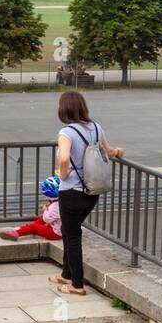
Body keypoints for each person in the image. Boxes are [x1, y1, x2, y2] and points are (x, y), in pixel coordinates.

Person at [54, 91, 124, 296]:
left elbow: (64, 158)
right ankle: (66, 274)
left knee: (72, 235)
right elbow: (108, 151)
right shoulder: (95, 127)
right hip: (92, 191)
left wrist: (64, 175)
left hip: (72, 191)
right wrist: (119, 152)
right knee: (68, 231)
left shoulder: (66, 133)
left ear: (63, 109)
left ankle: (76, 284)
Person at [0, 175, 62, 241]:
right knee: (41, 220)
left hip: (55, 233)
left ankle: (17, 233)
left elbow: (46, 219)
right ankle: (27, 228)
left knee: (34, 227)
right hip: (64, 229)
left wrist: (45, 210)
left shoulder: (54, 207)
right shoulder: (64, 200)